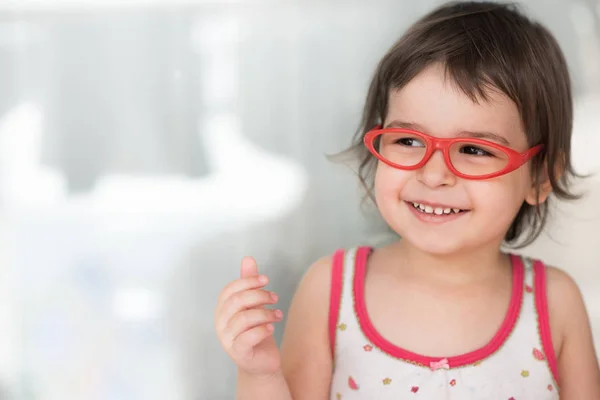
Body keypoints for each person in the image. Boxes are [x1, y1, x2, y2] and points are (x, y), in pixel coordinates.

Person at [213, 1, 600, 399]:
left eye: (474, 149)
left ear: (540, 177)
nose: (433, 174)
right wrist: (259, 375)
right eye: (409, 141)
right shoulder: (329, 292)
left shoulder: (555, 304)